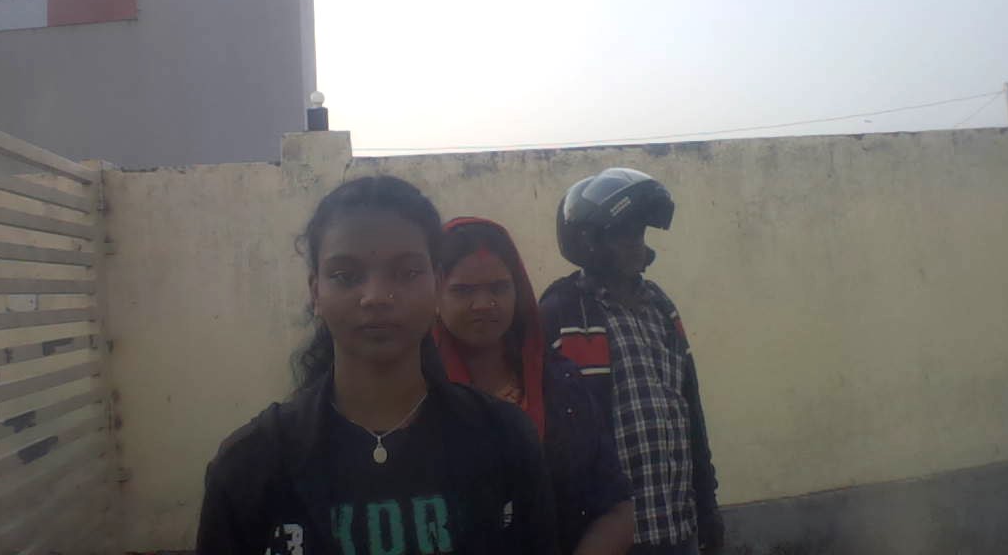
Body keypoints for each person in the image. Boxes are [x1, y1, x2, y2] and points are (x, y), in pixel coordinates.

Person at [197, 176, 558, 555]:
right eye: (345, 276)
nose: (376, 297)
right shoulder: (252, 465)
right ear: (316, 292)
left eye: (407, 273)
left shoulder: (505, 439)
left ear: (436, 284)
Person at [538, 169, 724, 555]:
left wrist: (708, 508)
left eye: (640, 233)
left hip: (677, 526)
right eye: (624, 234)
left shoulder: (661, 307)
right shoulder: (561, 311)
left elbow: (690, 412)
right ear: (589, 242)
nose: (637, 244)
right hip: (610, 537)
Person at [432, 217, 636, 555]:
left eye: (498, 287)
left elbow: (617, 507)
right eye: (463, 290)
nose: (483, 303)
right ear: (435, 295)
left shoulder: (562, 385)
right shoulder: (414, 393)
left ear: (519, 291)